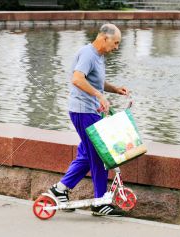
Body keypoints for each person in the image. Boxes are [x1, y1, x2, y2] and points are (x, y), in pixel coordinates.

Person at [48, 23, 129, 217]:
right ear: (104, 38)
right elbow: (77, 79)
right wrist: (100, 97)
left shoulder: (98, 56)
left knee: (87, 153)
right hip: (84, 112)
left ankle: (60, 189)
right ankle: (100, 202)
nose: (116, 47)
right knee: (99, 156)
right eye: (115, 43)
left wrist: (114, 89)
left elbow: (95, 82)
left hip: (89, 111)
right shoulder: (88, 54)